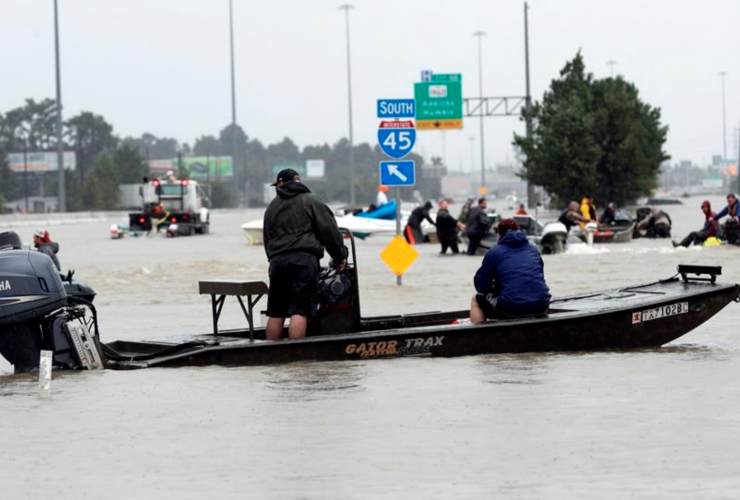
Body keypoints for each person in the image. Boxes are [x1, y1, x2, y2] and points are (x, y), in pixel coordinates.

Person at [263, 168, 347, 340]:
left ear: (280, 184)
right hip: (304, 261)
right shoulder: (312, 201)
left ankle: (270, 356)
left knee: (276, 311)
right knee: (300, 310)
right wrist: (339, 256)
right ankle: (298, 358)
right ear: (298, 182)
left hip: (277, 262)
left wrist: (273, 259)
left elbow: (266, 238)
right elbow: (329, 232)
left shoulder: (271, 208)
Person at [470, 219, 551, 323]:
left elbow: (480, 285)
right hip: (542, 305)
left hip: (511, 309)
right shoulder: (533, 249)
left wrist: (496, 287)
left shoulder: (494, 252)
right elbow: (539, 276)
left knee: (476, 298)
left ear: (498, 235)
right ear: (518, 231)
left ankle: (479, 335)